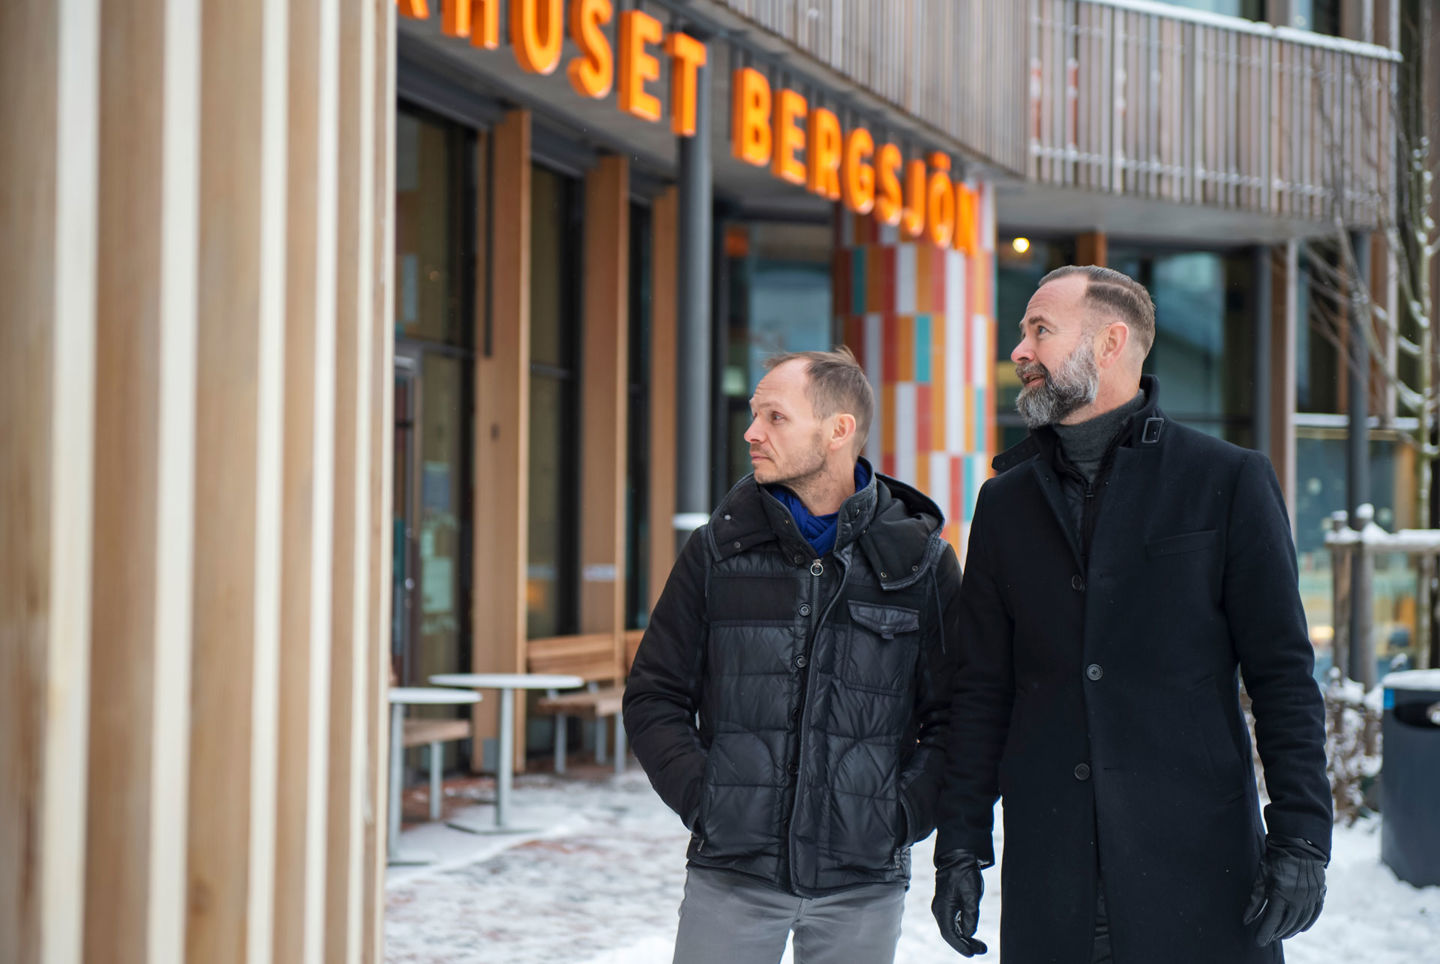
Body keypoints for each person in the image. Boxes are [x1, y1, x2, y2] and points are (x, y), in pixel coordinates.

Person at [931, 266, 1332, 963]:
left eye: (1040, 331)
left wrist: (1301, 838)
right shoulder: (1005, 502)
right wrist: (960, 844)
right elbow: (980, 688)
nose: (1019, 351)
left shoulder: (1227, 480)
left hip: (1201, 874)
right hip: (1053, 879)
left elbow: (1283, 675)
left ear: (1110, 343)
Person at [624, 348, 961, 964]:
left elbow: (955, 716)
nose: (752, 432)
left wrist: (898, 815)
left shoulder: (920, 563)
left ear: (838, 431)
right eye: (754, 415)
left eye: (774, 417)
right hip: (733, 873)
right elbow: (655, 694)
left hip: (862, 882)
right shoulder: (717, 550)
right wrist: (709, 798)